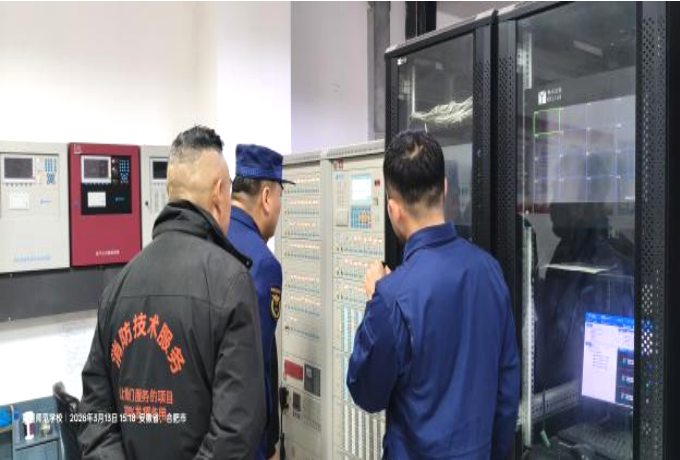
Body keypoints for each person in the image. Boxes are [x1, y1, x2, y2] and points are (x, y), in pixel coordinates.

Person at [78, 126, 266, 460]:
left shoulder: (118, 287)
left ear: (170, 192)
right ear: (219, 193)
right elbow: (235, 429)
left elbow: (95, 417)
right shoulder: (231, 283)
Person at [346, 130, 520, 459]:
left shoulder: (391, 297)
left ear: (393, 210)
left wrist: (373, 302)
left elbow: (367, 392)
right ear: (445, 188)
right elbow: (507, 391)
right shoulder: (490, 272)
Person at [226, 144, 293, 460]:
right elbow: (255, 367)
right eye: (280, 195)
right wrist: (267, 445)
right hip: (243, 439)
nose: (280, 207)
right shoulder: (264, 264)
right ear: (266, 197)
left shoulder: (209, 235)